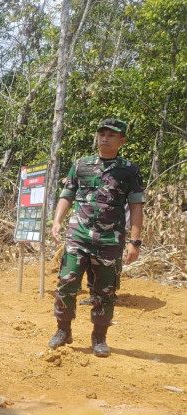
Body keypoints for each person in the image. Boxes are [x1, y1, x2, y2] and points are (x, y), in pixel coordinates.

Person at [49, 118, 145, 357]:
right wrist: (58, 221)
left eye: (111, 135)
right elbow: (67, 194)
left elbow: (136, 206)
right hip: (78, 235)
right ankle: (63, 330)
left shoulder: (129, 170)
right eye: (101, 134)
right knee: (67, 284)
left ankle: (99, 338)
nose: (104, 138)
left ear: (122, 140)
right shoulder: (82, 164)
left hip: (109, 241)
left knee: (105, 291)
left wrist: (134, 242)